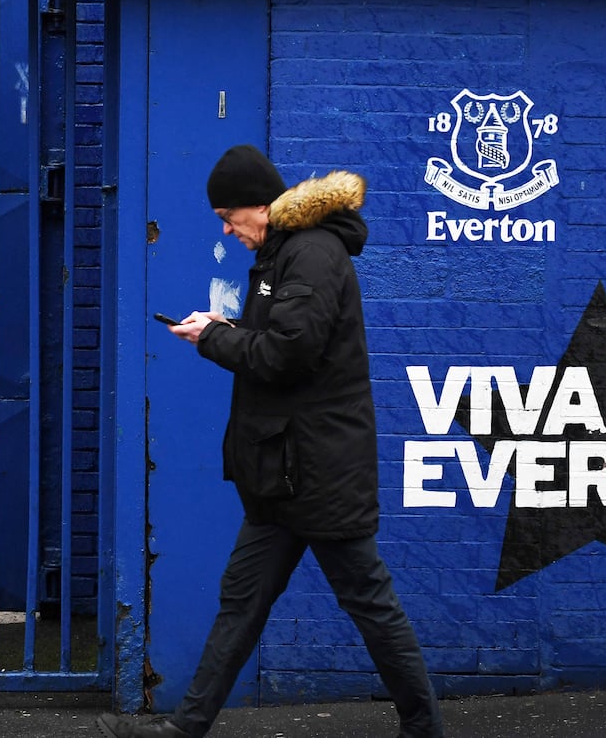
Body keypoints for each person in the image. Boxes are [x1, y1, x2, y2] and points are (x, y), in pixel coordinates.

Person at [96, 146, 445, 738]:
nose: (228, 231)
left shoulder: (311, 253)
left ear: (261, 206)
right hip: (286, 471)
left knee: (368, 602)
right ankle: (188, 727)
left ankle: (424, 727)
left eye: (230, 217)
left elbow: (287, 354)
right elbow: (282, 338)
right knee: (243, 599)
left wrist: (212, 340)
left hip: (319, 472)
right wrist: (222, 329)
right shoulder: (288, 252)